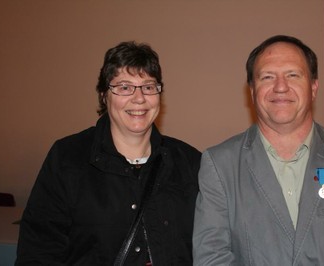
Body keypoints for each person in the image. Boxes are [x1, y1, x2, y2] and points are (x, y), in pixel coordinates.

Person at [192, 35, 324, 265]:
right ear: (252, 91)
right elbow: (211, 258)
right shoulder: (218, 164)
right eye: (267, 77)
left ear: (314, 87)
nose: (280, 87)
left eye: (293, 75)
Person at [16, 41, 201, 265]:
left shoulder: (189, 161)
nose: (139, 98)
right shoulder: (67, 158)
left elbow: (208, 246)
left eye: (149, 86)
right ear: (104, 95)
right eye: (124, 87)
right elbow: (38, 251)